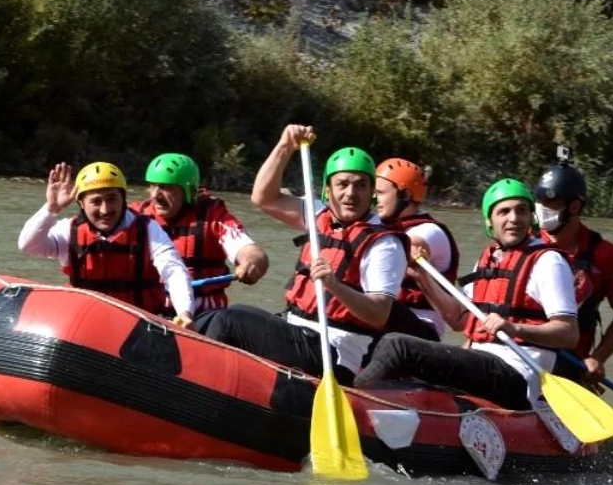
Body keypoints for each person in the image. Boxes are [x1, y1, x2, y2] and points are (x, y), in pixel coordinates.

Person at [196, 124, 407, 384]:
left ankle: (202, 388)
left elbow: (379, 314)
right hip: (297, 331)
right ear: (328, 191)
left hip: (334, 353)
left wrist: (334, 285)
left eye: (360, 185)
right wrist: (285, 147)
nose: (351, 193)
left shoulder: (384, 244)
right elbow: (263, 197)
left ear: (371, 193)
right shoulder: (318, 214)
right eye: (342, 184)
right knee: (217, 315)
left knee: (229, 322)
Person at [355, 178, 579, 412]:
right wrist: (421, 275)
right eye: (504, 211)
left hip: (515, 374)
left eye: (521, 210)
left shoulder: (548, 261)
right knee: (395, 351)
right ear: (489, 221)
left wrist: (515, 329)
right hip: (483, 364)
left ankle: (354, 404)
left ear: (531, 217)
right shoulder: (489, 258)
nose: (514, 218)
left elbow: (568, 333)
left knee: (397, 345)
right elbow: (459, 319)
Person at [18, 161, 195, 326]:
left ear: (123, 199)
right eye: (96, 201)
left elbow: (174, 272)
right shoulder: (69, 230)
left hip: (138, 326)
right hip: (85, 323)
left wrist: (185, 313)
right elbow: (28, 244)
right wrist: (51, 209)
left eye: (112, 199)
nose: (105, 210)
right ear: (81, 203)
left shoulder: (148, 229)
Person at [533, 160, 613, 384]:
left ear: (574, 207)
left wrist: (597, 358)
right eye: (539, 199)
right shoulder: (525, 243)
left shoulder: (606, 255)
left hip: (571, 366)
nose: (541, 207)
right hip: (523, 354)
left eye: (551, 201)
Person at [130, 152, 270, 313]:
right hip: (151, 309)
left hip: (204, 313)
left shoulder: (213, 218)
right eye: (152, 185)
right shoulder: (137, 215)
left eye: (166, 187)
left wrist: (251, 263)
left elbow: (250, 250)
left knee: (230, 319)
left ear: (188, 191)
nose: (155, 195)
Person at [373, 157, 461, 341]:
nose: (375, 198)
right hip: (388, 323)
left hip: (420, 330)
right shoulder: (381, 227)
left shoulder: (431, 232)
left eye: (380, 192)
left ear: (405, 196)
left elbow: (406, 246)